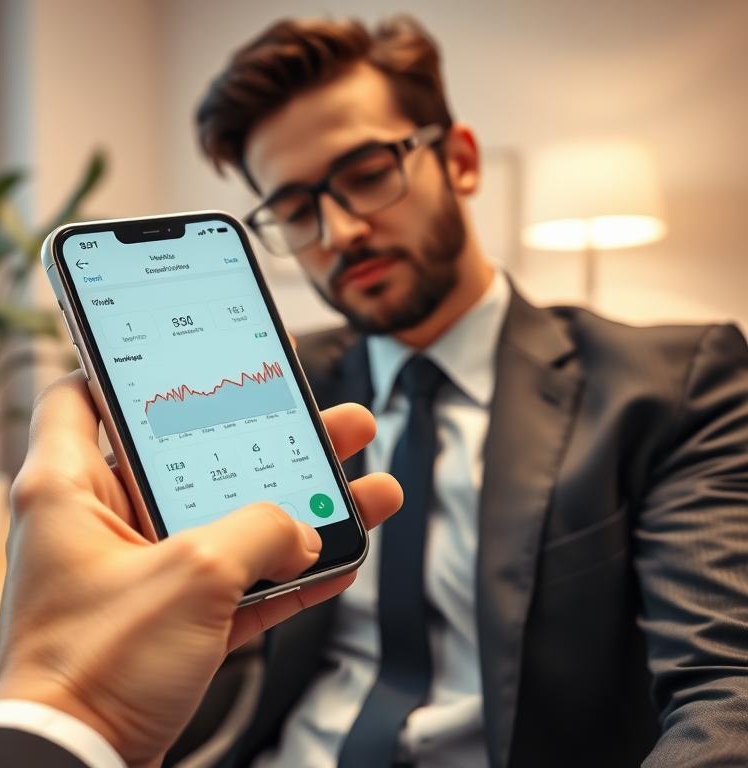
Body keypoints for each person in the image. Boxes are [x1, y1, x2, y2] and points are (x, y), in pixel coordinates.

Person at [169, 14, 748, 768]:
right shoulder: (273, 387)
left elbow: (726, 688)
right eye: (293, 209)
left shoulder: (671, 385)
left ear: (461, 161)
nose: (338, 231)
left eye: (368, 173)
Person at [0, 372, 403, 767]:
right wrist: (86, 707)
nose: (337, 233)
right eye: (295, 223)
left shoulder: (288, 387)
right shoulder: (301, 374)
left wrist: (68, 700)